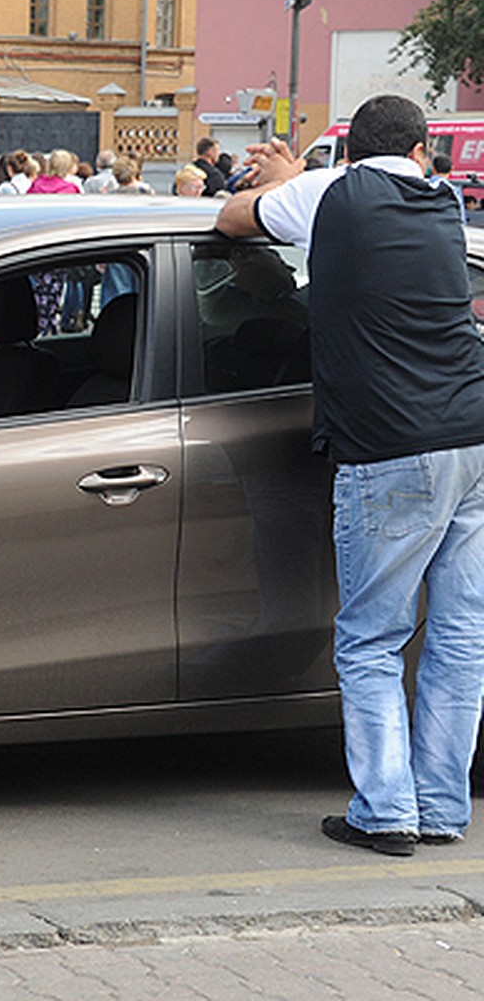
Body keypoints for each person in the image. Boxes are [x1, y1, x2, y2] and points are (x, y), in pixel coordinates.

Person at [216, 93, 484, 857]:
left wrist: (278, 182)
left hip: (391, 445)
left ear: (350, 149)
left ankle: (384, 812)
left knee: (371, 637)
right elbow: (330, 196)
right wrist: (298, 178)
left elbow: (235, 221)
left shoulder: (333, 192)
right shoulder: (441, 199)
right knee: (460, 637)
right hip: (473, 436)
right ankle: (440, 808)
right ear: (423, 150)